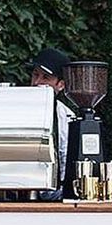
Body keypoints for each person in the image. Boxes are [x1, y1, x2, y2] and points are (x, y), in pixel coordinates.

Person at [29, 48, 74, 200]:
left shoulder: (67, 117)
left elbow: (67, 157)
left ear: (61, 85)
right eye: (35, 75)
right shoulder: (18, 109)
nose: (37, 83)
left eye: (46, 78)